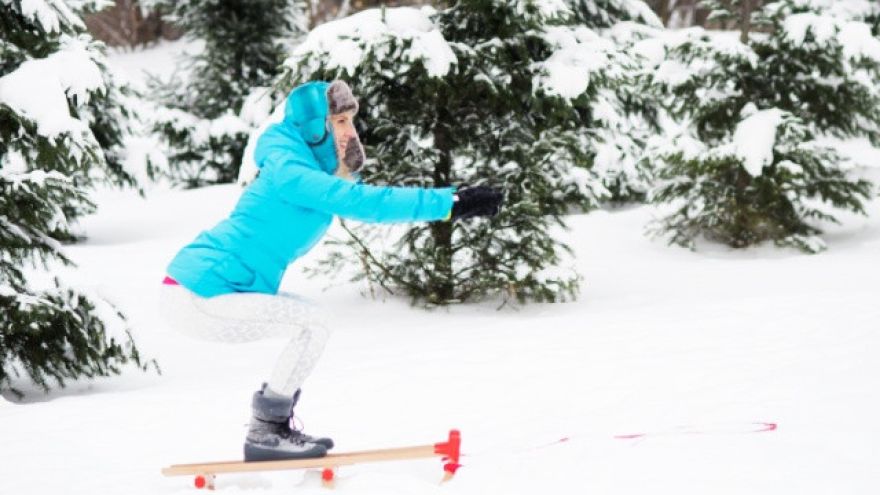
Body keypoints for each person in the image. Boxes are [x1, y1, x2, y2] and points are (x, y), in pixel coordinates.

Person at [159, 80, 503, 462]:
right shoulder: (289, 169)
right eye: (339, 120)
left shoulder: (308, 168)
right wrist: (449, 203)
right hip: (198, 290)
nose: (349, 130)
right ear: (314, 126)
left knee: (314, 325)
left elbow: (347, 189)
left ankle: (269, 429)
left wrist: (346, 166)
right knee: (312, 325)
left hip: (218, 289)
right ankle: (267, 432)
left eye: (350, 120)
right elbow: (363, 202)